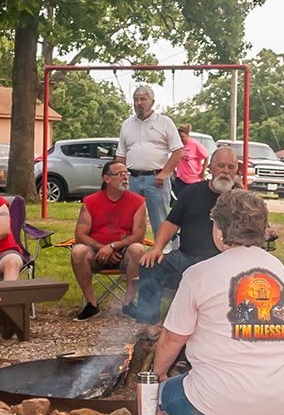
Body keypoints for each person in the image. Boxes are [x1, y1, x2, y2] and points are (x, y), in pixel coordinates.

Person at [153, 190, 284, 415]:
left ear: (219, 230)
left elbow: (172, 339)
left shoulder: (199, 274)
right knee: (224, 389)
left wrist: (159, 374)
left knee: (167, 394)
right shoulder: (280, 271)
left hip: (221, 403)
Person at [127, 147, 238, 326]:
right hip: (186, 259)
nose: (225, 171)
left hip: (224, 264)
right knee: (150, 263)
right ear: (210, 168)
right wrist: (157, 248)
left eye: (231, 167)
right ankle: (148, 325)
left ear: (236, 170)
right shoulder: (191, 192)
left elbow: (256, 229)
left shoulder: (240, 198)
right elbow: (171, 222)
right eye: (221, 166)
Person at [70, 161, 149, 321]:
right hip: (96, 254)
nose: (126, 177)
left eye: (127, 173)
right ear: (107, 178)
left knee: (138, 249)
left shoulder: (138, 201)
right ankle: (92, 304)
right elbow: (80, 234)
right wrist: (102, 248)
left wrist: (113, 247)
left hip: (124, 254)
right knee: (78, 251)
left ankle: (128, 304)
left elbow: (138, 235)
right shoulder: (91, 201)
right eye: (120, 174)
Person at [115, 84, 182, 238]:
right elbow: (121, 155)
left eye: (143, 99)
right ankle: (129, 253)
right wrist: (120, 177)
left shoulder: (165, 122)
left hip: (156, 179)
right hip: (131, 179)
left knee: (160, 221)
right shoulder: (126, 124)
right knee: (129, 220)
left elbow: (178, 151)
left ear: (152, 102)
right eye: (136, 99)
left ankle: (166, 254)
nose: (139, 103)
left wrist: (164, 174)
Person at [173, 122, 208, 195]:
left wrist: (202, 172)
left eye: (182, 137)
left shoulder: (195, 144)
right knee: (180, 200)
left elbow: (206, 156)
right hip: (181, 178)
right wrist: (174, 170)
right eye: (178, 137)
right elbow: (174, 158)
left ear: (187, 135)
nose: (180, 139)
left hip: (193, 179)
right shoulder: (178, 145)